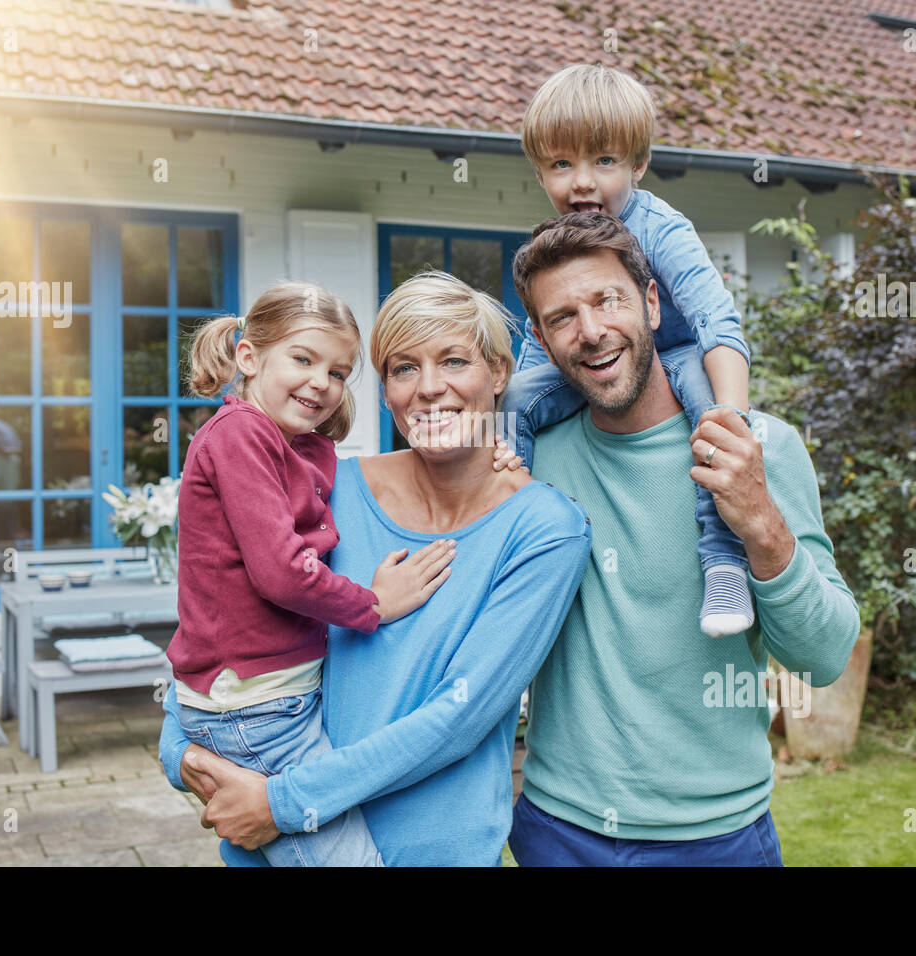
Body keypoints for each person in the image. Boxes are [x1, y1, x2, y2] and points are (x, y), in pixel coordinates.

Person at [159, 272, 592, 866]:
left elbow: (459, 716)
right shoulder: (334, 488)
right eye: (403, 368)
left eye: (454, 361)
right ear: (386, 389)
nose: (429, 388)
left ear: (498, 374)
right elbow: (227, 624)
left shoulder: (545, 529)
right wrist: (179, 751)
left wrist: (280, 803)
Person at [506, 211, 861, 866]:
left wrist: (761, 524)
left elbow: (824, 658)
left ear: (649, 301)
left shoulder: (758, 448)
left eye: (607, 300)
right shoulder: (528, 463)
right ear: (540, 338)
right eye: (562, 318)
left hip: (719, 838)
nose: (590, 332)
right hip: (557, 831)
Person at [170, 282, 467, 866]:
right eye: (302, 359)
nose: (321, 383)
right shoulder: (241, 435)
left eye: (338, 372)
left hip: (268, 698)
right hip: (255, 705)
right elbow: (281, 573)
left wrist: (503, 451)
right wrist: (374, 605)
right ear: (249, 359)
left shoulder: (290, 445)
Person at [504, 63, 755, 638]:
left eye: (605, 161)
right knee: (514, 397)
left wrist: (731, 416)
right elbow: (539, 347)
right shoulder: (557, 241)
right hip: (594, 366)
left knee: (704, 397)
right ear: (541, 172)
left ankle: (723, 560)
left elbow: (716, 320)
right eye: (562, 164)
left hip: (673, 355)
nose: (583, 183)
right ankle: (512, 528)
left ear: (639, 164)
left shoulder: (662, 228)